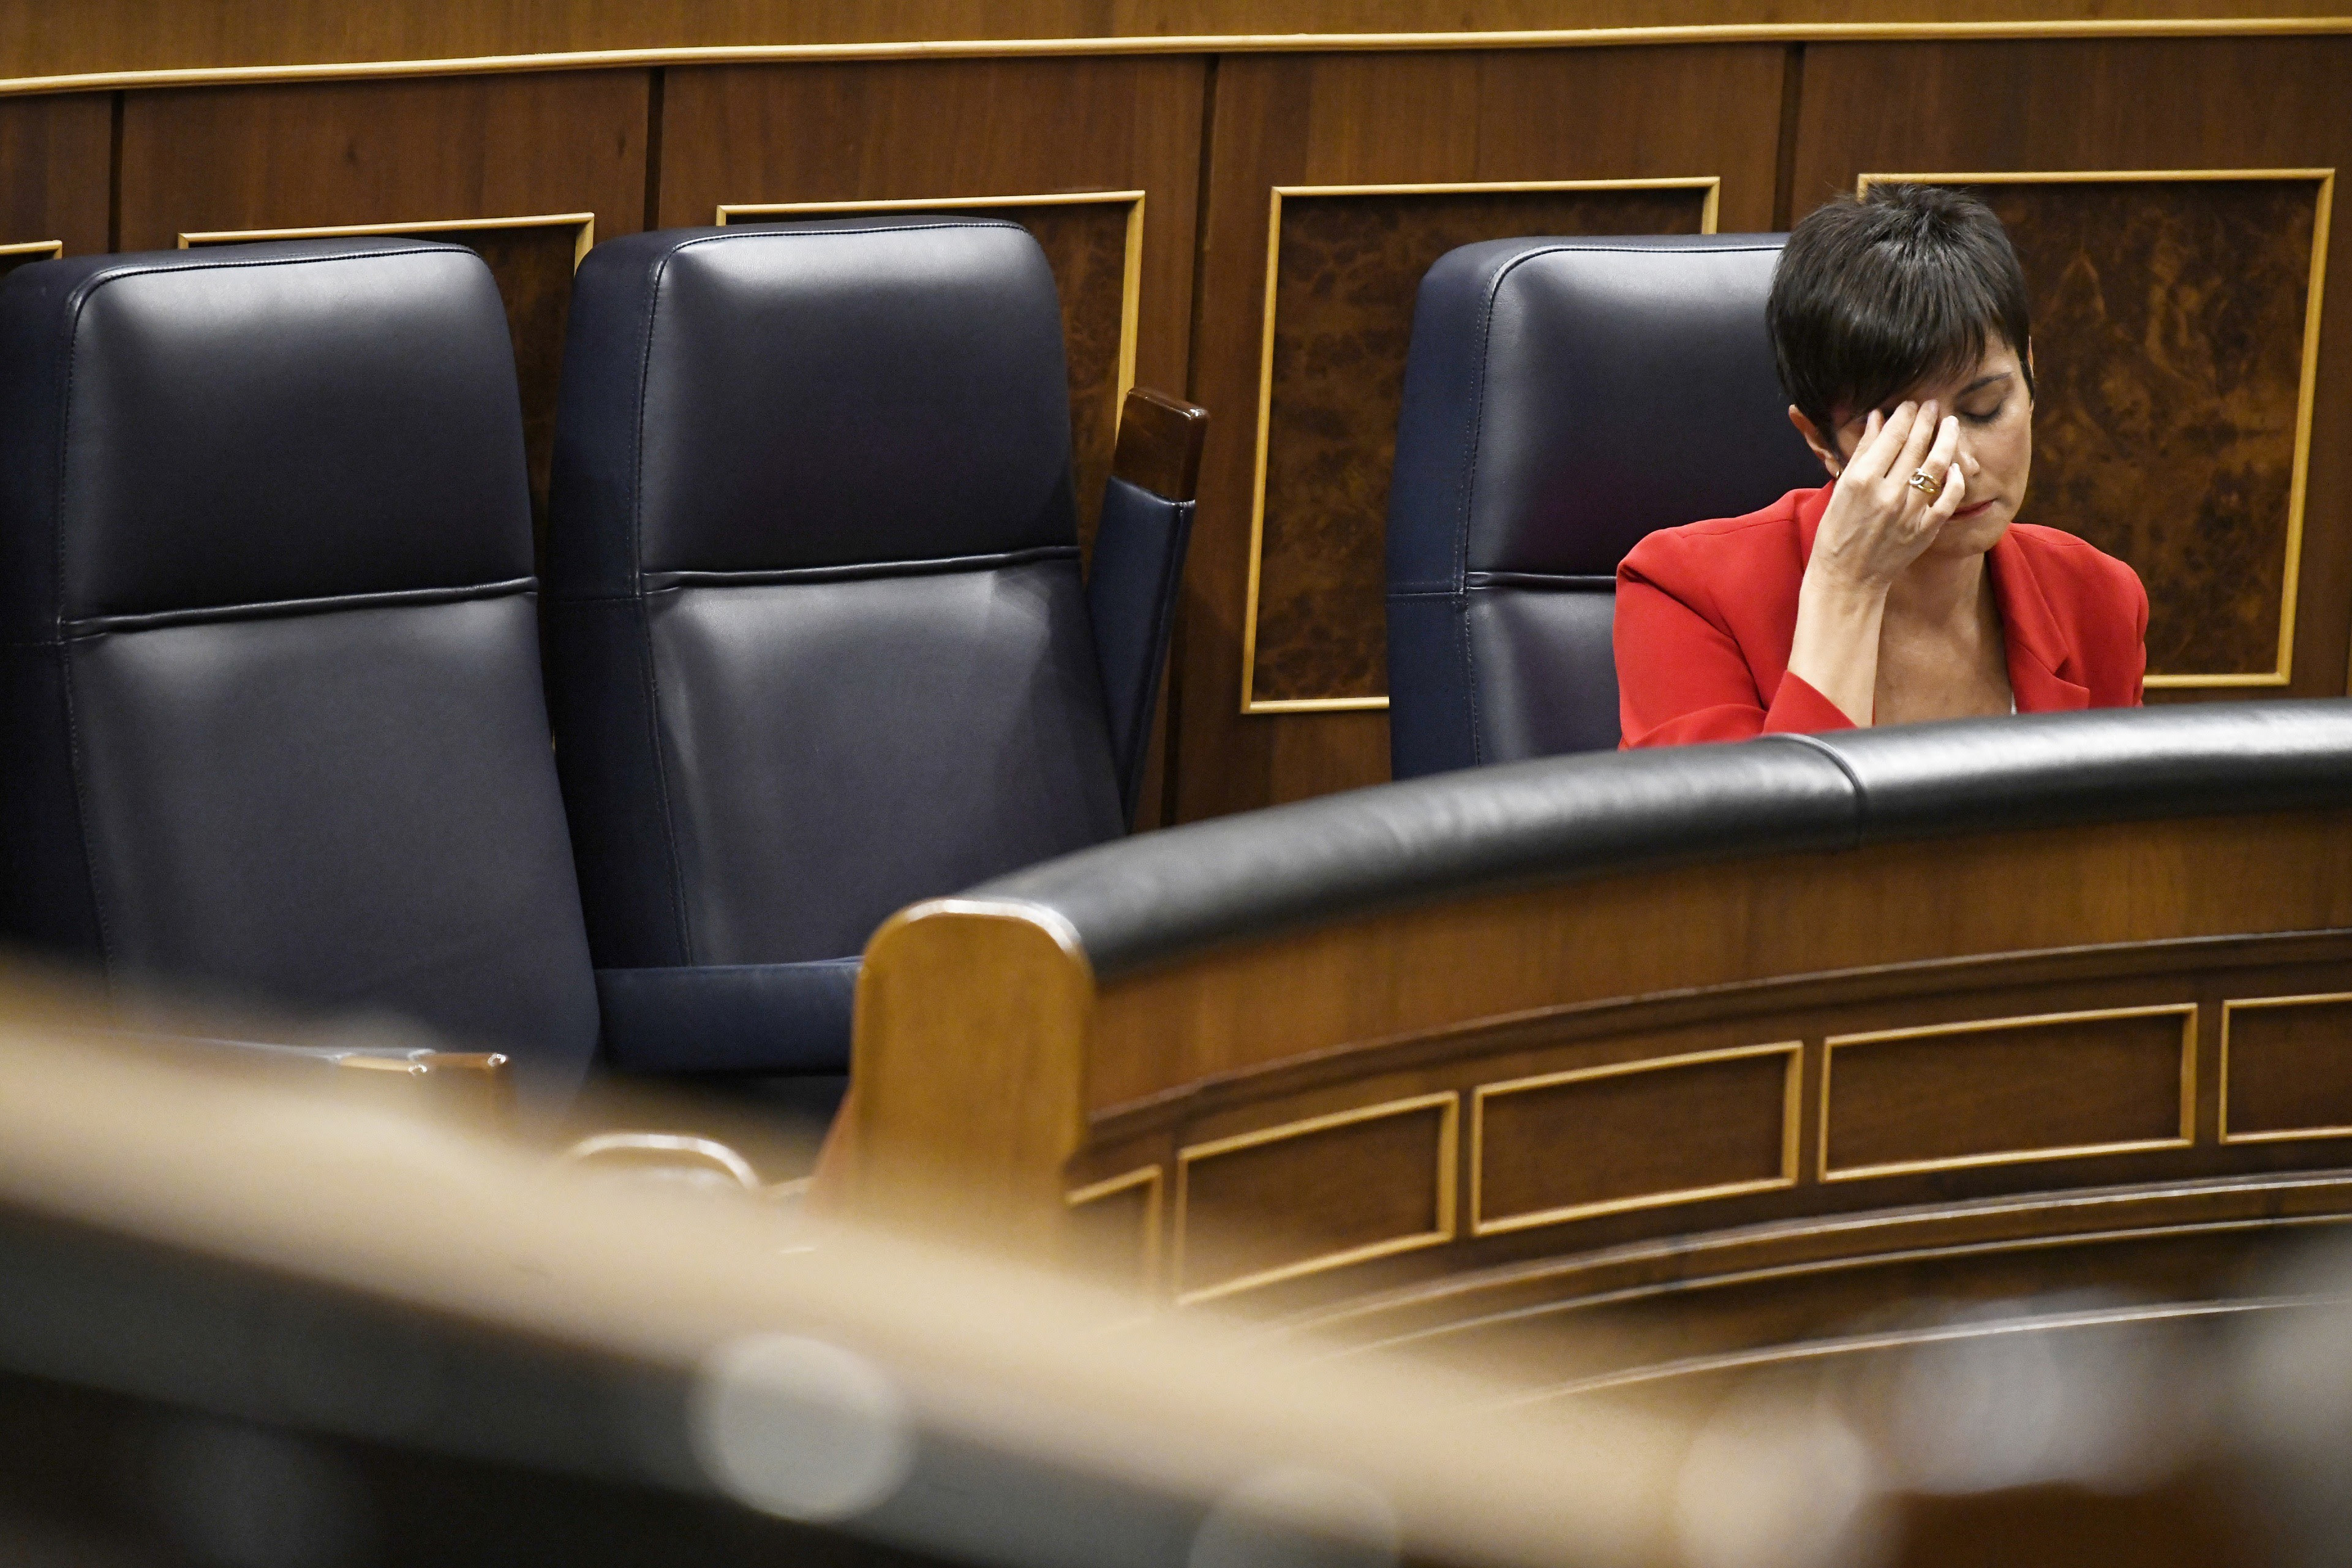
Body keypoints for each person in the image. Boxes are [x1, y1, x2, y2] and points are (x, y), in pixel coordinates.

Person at [1612, 183, 2147, 748]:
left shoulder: (2099, 599)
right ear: (1820, 440)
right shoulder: (1684, 594)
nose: (1954, 464)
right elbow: (1752, 835)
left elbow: (2120, 834)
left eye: (1985, 409)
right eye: (1901, 432)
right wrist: (1848, 585)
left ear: (2031, 373)